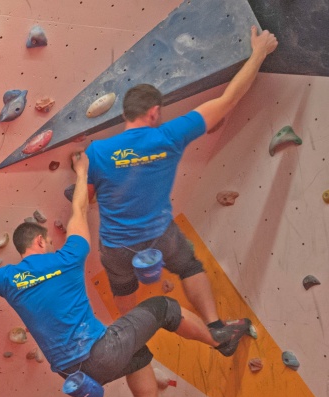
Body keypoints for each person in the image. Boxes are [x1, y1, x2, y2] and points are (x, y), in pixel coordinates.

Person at [0, 153, 250, 397]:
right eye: (49, 241)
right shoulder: (66, 259)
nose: (53, 244)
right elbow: (78, 209)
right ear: (40, 242)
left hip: (77, 377)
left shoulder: (7, 279)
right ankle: (218, 338)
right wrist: (81, 172)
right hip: (99, 352)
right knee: (163, 308)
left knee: (138, 356)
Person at [84, 26, 277, 353]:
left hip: (116, 244)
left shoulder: (98, 152)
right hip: (161, 235)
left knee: (122, 285)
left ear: (126, 114)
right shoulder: (168, 137)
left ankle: (132, 342)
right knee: (189, 267)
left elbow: (85, 199)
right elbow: (229, 99)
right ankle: (217, 328)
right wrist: (259, 52)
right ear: (154, 112)